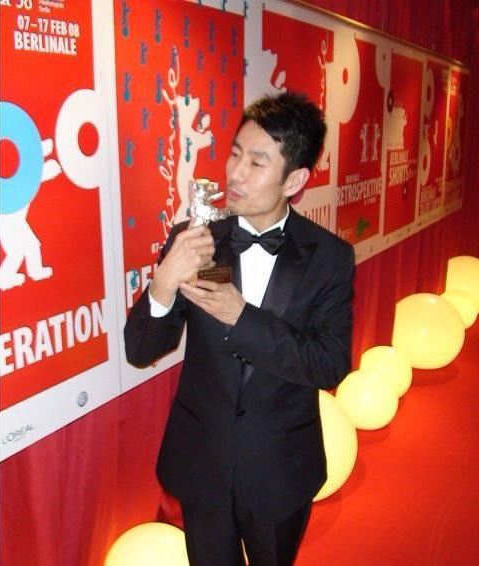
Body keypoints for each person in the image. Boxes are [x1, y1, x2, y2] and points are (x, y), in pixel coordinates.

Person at [124, 92, 355, 566]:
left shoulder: (329, 257)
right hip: (203, 459)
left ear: (295, 180)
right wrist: (164, 282)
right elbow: (140, 349)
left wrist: (242, 317)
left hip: (281, 467)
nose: (235, 174)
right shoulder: (197, 239)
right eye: (234, 154)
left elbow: (329, 364)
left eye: (256, 162)